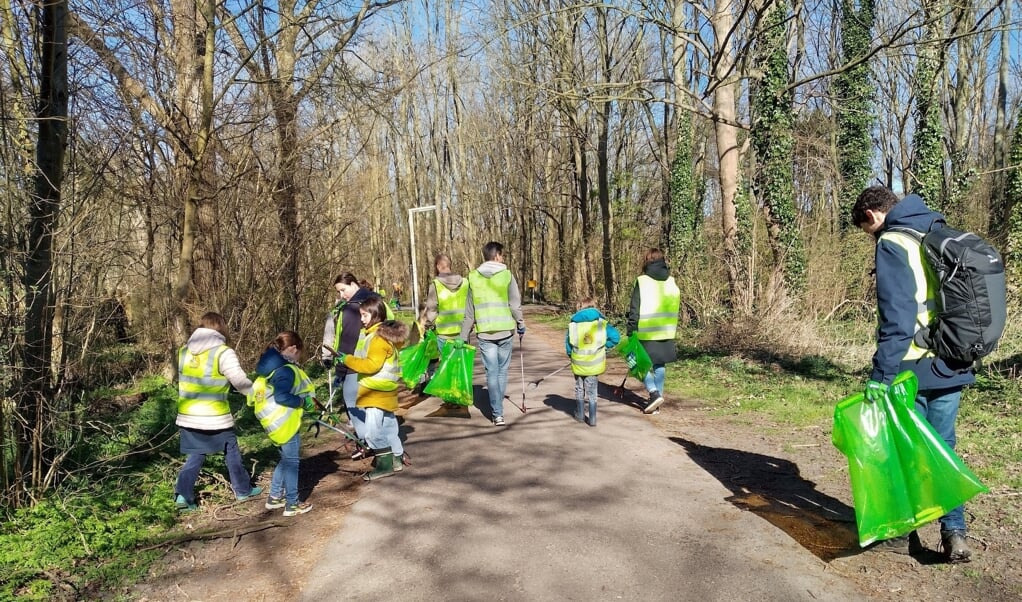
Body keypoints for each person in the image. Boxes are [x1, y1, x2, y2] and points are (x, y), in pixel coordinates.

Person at [851, 185, 975, 563]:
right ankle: (955, 534)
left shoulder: (893, 243)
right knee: (943, 448)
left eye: (867, 230)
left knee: (909, 451)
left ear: (872, 216)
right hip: (952, 360)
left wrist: (881, 374)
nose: (871, 236)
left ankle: (905, 534)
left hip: (912, 367)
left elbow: (898, 317)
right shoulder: (937, 231)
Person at [174, 312, 261, 511]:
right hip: (214, 416)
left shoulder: (184, 351)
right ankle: (242, 490)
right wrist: (257, 394)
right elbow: (239, 381)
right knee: (231, 448)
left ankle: (182, 495)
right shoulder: (223, 352)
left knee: (196, 454)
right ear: (220, 328)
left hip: (188, 415)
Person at [334, 296, 410, 480]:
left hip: (375, 391)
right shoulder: (382, 336)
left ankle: (384, 466)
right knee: (390, 426)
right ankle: (397, 458)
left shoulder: (377, 339)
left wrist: (347, 360)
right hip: (387, 390)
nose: (361, 319)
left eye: (364, 315)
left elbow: (371, 366)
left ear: (375, 315)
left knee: (372, 431)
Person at [249, 331, 315, 517]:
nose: (299, 356)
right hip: (285, 423)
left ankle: (275, 497)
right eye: (299, 351)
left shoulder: (269, 369)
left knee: (285, 460)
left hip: (273, 424)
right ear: (293, 348)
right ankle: (292, 504)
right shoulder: (284, 370)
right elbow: (282, 396)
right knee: (292, 462)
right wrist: (303, 402)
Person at [460, 241, 526, 426]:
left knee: (492, 371)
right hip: (505, 331)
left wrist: (463, 335)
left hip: (485, 332)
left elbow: (469, 312)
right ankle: (498, 408)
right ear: (497, 255)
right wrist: (521, 323)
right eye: (502, 255)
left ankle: (497, 413)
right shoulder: (506, 275)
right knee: (502, 371)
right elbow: (515, 304)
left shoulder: (473, 277)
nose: (502, 258)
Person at [321, 273, 375, 457]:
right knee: (372, 406)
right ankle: (377, 443)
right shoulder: (374, 301)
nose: (342, 295)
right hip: (374, 363)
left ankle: (369, 444)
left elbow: (347, 342)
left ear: (353, 284)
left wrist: (340, 369)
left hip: (355, 364)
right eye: (339, 292)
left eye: (343, 290)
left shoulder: (351, 309)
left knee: (354, 404)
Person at [625, 248, 680, 414]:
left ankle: (654, 393)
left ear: (647, 261)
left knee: (634, 362)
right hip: (667, 331)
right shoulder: (671, 281)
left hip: (645, 331)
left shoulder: (642, 281)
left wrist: (631, 328)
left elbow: (635, 307)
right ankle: (657, 404)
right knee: (659, 365)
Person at [565, 297, 621, 426]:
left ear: (580, 307)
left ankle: (579, 414)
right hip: (594, 363)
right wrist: (603, 347)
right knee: (592, 391)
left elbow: (568, 345)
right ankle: (593, 419)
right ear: (594, 307)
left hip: (578, 363)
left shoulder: (573, 325)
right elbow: (615, 338)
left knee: (579, 388)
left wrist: (571, 355)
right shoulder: (601, 323)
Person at [423, 253, 467, 398]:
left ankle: (450, 395)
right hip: (462, 331)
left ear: (437, 266)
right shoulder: (465, 282)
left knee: (447, 363)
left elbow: (432, 308)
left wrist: (429, 324)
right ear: (449, 265)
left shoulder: (435, 285)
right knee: (460, 363)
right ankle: (460, 391)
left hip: (444, 332)